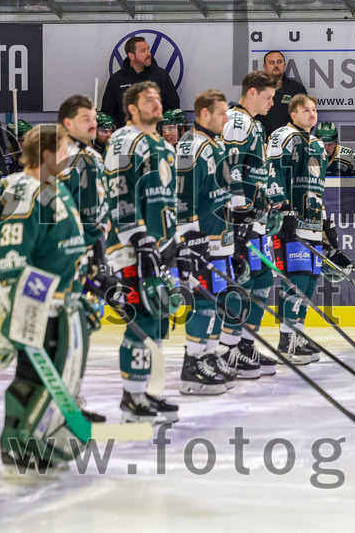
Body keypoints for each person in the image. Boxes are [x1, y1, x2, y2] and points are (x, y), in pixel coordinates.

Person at [0, 124, 95, 470]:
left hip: (63, 300)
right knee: (34, 374)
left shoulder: (52, 188)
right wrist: (24, 305)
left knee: (58, 376)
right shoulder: (23, 187)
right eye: (63, 149)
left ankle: (40, 437)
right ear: (46, 154)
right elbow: (12, 255)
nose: (69, 157)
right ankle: (19, 441)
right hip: (40, 301)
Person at [104, 81, 180, 423]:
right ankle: (131, 396)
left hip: (158, 245)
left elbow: (167, 202)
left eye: (158, 99)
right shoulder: (124, 138)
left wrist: (171, 241)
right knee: (141, 319)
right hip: (133, 247)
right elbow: (119, 192)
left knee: (159, 316)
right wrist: (139, 239)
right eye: (148, 100)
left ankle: (147, 391)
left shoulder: (163, 147)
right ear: (132, 109)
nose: (156, 103)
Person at [266, 94, 350, 362]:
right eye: (306, 110)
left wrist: (326, 224)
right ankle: (286, 340)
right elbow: (272, 173)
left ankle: (298, 334)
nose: (312, 114)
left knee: (310, 281)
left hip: (312, 222)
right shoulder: (283, 136)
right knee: (296, 280)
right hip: (290, 222)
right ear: (293, 114)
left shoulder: (316, 144)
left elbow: (317, 188)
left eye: (314, 110)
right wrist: (283, 209)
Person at [220, 71, 280, 379]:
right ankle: (229, 347)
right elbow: (232, 168)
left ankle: (245, 342)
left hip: (254, 218)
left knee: (262, 279)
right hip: (238, 219)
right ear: (252, 92)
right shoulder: (238, 121)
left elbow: (256, 171)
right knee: (242, 281)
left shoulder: (252, 124)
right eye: (268, 97)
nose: (272, 103)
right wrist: (240, 212)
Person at [175, 89, 235, 395]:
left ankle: (209, 355)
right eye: (222, 113)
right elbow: (183, 195)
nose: (227, 118)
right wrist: (189, 237)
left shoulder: (215, 144)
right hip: (201, 239)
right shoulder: (191, 145)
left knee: (217, 300)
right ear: (204, 114)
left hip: (220, 236)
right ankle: (192, 362)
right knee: (202, 301)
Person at [56, 95, 111, 421]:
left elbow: (99, 213)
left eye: (94, 117)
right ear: (67, 123)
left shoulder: (92, 156)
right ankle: (58, 402)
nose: (94, 123)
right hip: (66, 261)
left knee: (80, 331)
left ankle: (70, 398)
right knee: (65, 333)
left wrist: (99, 253)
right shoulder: (62, 159)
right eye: (85, 118)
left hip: (86, 256)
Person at [101, 36, 180, 127]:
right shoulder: (116, 79)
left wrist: (161, 130)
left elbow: (172, 107)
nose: (148, 53)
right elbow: (108, 112)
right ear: (131, 56)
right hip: (126, 136)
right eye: (143, 51)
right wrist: (121, 132)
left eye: (148, 49)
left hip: (155, 135)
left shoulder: (161, 76)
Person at [255, 50, 308, 134]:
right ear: (265, 66)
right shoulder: (256, 89)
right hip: (262, 144)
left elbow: (307, 119)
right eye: (271, 62)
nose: (276, 65)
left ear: (284, 65)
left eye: (279, 62)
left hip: (291, 142)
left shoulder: (297, 89)